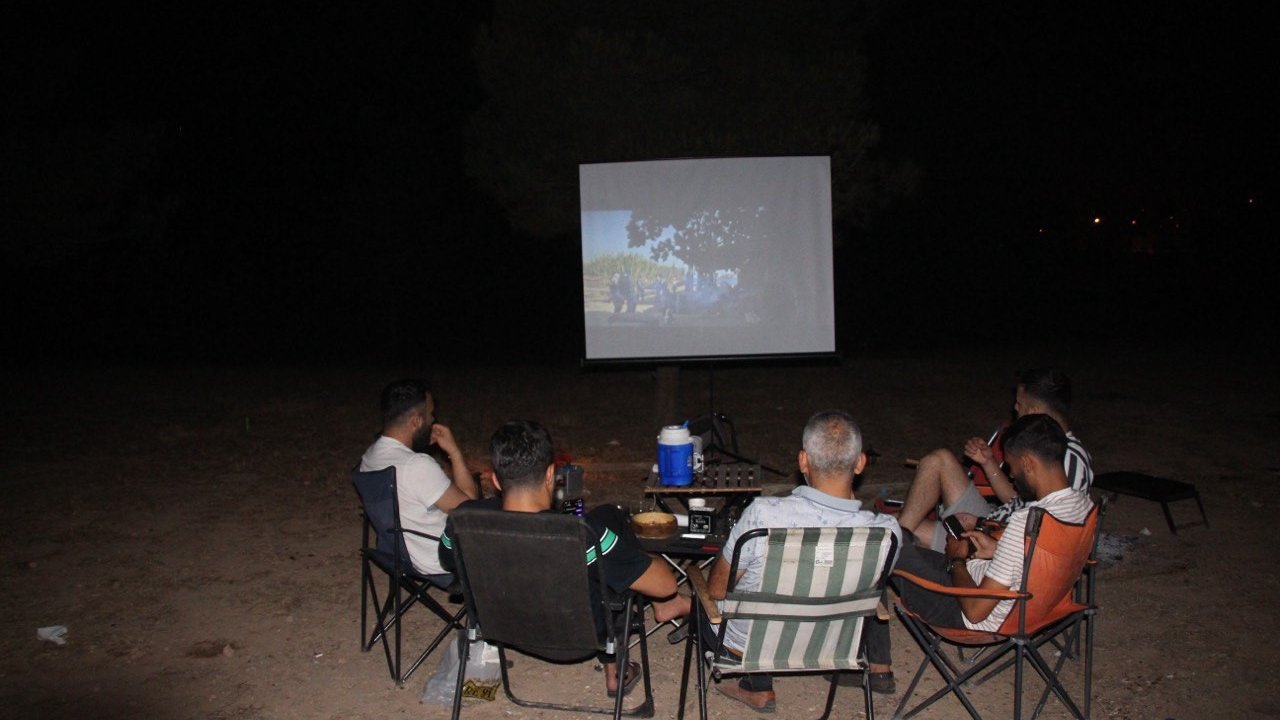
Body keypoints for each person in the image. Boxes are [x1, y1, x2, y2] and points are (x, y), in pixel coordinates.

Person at [438, 420, 683, 699]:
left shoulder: (463, 520)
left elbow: (447, 560)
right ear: (551, 475)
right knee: (610, 534)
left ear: (495, 479)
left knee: (606, 515)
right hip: (581, 640)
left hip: (505, 630)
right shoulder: (582, 535)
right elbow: (665, 587)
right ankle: (614, 669)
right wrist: (639, 557)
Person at [705, 410, 903, 712]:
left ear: (803, 461)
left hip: (749, 646)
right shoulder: (885, 534)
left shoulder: (763, 516)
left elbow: (718, 591)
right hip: (834, 644)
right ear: (861, 462)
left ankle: (755, 685)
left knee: (701, 600)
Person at [890, 413, 1095, 634]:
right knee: (906, 546)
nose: (1012, 474)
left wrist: (956, 560)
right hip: (1023, 606)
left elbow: (975, 611)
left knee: (887, 543)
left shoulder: (1025, 522)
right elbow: (1044, 561)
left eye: (1011, 466)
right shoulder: (1084, 507)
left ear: (1027, 463)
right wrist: (998, 550)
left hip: (967, 610)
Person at [895, 368, 1093, 551]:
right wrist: (988, 463)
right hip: (994, 519)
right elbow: (1017, 502)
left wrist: (981, 525)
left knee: (892, 525)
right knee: (940, 459)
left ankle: (894, 548)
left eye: (1019, 404)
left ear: (1034, 411)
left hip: (996, 541)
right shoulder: (1048, 445)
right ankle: (899, 539)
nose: (1015, 409)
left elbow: (1040, 535)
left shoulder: (1065, 461)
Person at [359, 378, 479, 576]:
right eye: (431, 414)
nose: (433, 420)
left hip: (396, 555)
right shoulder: (416, 466)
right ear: (416, 421)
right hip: (439, 559)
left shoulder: (369, 458)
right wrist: (454, 452)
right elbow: (469, 511)